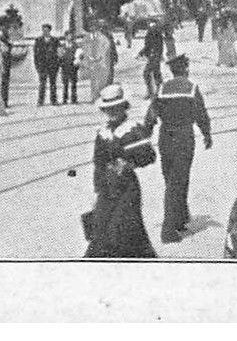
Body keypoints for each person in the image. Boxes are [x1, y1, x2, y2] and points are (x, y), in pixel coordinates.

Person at [143, 54, 212, 244]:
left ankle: (180, 218)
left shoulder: (162, 88)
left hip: (165, 138)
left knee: (171, 179)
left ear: (172, 71)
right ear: (186, 69)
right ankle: (168, 230)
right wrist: (207, 134)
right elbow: (201, 114)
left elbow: (151, 114)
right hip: (184, 138)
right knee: (179, 181)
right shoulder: (191, 88)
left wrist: (146, 135)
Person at [83, 84, 158, 259]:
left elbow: (149, 155)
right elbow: (99, 162)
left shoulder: (132, 129)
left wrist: (128, 162)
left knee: (124, 229)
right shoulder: (103, 132)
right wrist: (98, 189)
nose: (112, 113)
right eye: (108, 109)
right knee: (101, 230)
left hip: (126, 189)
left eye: (116, 108)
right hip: (107, 188)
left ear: (124, 108)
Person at [33, 24, 61, 106]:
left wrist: (58, 64)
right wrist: (37, 65)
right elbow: (36, 54)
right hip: (42, 65)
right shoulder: (38, 40)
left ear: (50, 31)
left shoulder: (55, 40)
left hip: (53, 65)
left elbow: (59, 52)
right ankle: (40, 101)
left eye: (47, 30)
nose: (45, 32)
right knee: (42, 84)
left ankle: (54, 100)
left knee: (53, 83)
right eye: (44, 30)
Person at [140, 22, 166, 99]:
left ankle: (153, 91)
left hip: (155, 57)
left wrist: (157, 55)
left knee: (147, 73)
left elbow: (160, 47)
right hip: (152, 57)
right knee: (156, 73)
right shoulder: (148, 35)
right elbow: (147, 46)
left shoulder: (158, 35)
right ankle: (155, 90)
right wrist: (141, 53)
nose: (152, 30)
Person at [59, 33, 83, 104]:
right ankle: (64, 99)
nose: (70, 37)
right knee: (65, 84)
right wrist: (61, 64)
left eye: (71, 36)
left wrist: (78, 61)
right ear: (65, 37)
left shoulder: (76, 46)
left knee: (73, 84)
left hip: (73, 67)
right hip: (65, 67)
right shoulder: (62, 46)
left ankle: (74, 99)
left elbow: (80, 56)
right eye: (68, 36)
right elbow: (59, 56)